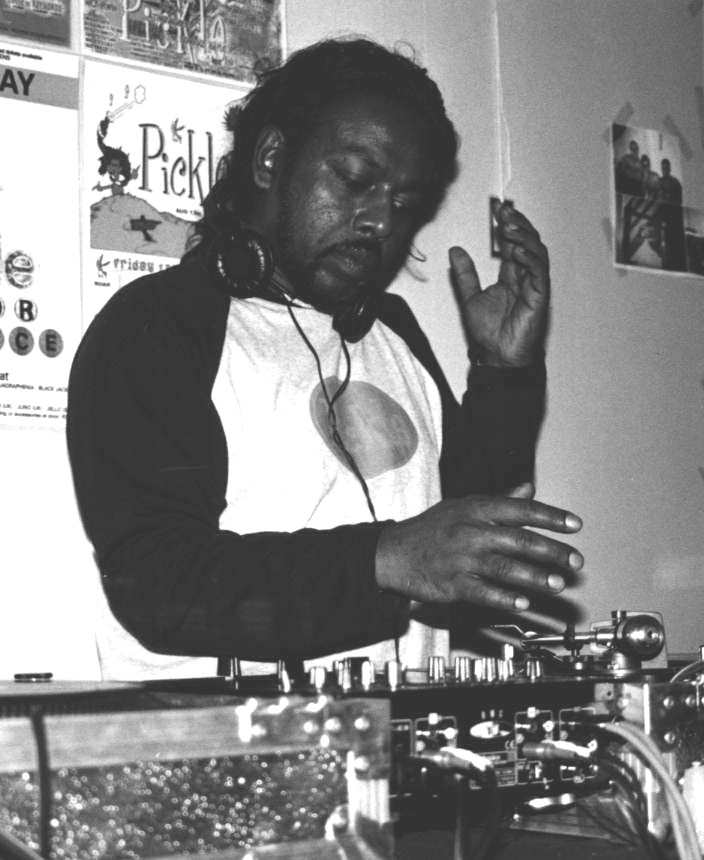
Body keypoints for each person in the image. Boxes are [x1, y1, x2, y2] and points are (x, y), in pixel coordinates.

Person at [67, 38, 583, 681]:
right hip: (222, 742)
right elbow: (159, 583)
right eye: (357, 181)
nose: (381, 222)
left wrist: (504, 375)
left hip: (398, 738)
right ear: (271, 159)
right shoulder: (157, 326)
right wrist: (383, 560)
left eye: (405, 203)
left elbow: (464, 549)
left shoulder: (393, 333)